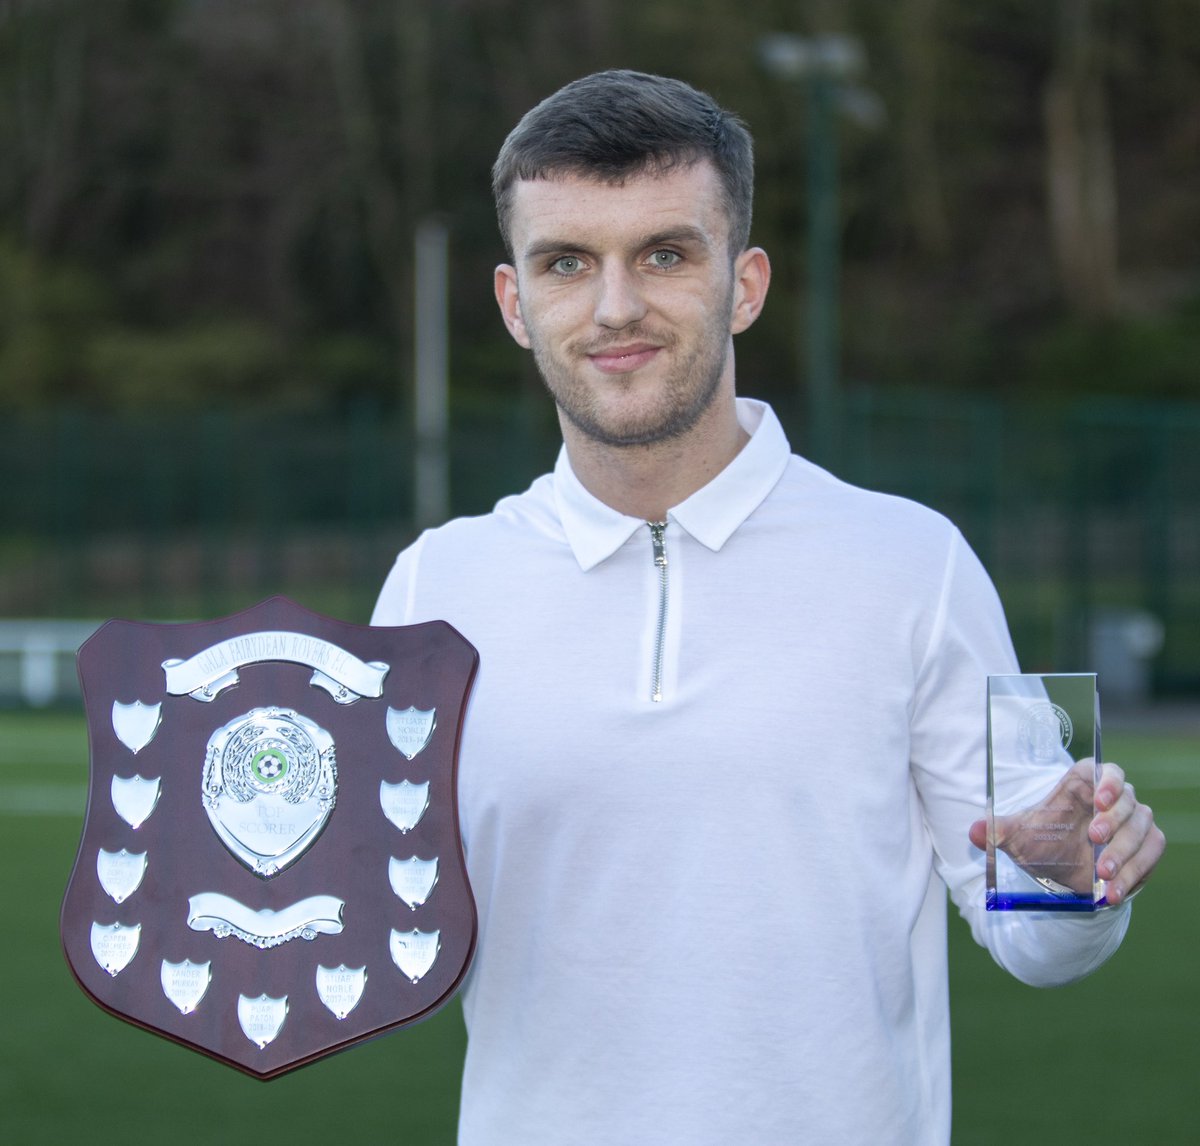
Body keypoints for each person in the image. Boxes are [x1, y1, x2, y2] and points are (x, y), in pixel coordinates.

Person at [373, 70, 1165, 1145]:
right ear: (516, 303)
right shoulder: (434, 588)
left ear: (744, 285)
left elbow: (1037, 933)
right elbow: (380, 932)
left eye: (665, 254)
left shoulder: (914, 565)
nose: (615, 307)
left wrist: (1072, 883)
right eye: (568, 263)